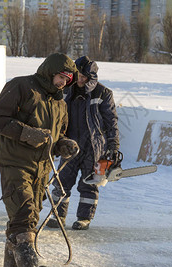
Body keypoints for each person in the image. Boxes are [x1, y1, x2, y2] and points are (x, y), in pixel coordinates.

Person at [0, 53, 79, 267]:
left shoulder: (60, 103)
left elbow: (55, 137)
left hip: (41, 169)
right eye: (61, 77)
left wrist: (64, 145)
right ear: (51, 72)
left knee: (25, 218)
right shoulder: (21, 86)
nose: (63, 83)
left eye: (67, 80)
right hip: (15, 162)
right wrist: (29, 133)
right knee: (24, 211)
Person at [47, 55, 120, 231]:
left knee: (89, 184)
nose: (79, 80)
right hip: (70, 146)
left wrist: (113, 147)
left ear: (91, 78)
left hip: (94, 148)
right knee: (62, 182)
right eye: (78, 75)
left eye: (84, 77)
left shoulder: (103, 94)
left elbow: (112, 122)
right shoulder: (66, 91)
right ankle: (58, 216)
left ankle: (84, 218)